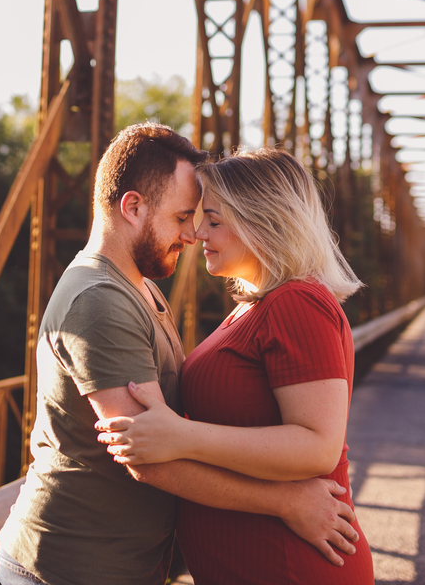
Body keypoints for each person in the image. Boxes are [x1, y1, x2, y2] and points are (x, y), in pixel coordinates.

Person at [0, 125, 360, 585]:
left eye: (207, 218)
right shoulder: (99, 298)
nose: (192, 234)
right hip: (73, 566)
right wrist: (285, 501)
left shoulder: (144, 289)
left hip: (123, 564)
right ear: (133, 207)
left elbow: (171, 435)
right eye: (185, 216)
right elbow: (148, 455)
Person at [96, 146, 374, 584]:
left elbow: (318, 446)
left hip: (291, 565)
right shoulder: (255, 307)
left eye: (214, 220)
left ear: (262, 222)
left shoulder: (297, 301)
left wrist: (181, 436)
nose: (198, 232)